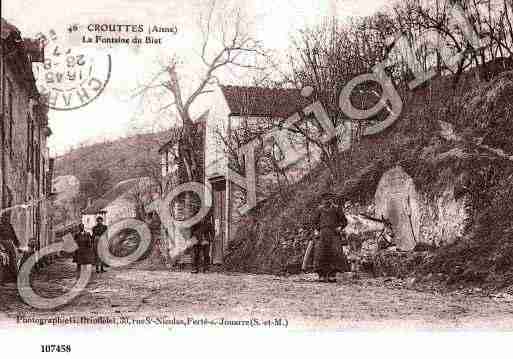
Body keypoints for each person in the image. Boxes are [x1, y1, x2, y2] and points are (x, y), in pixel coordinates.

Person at [311, 192, 349, 283]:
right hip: (322, 234)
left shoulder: (336, 209)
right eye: (325, 199)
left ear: (332, 199)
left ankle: (332, 275)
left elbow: (344, 221)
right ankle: (321, 275)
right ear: (323, 200)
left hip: (334, 234)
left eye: (329, 199)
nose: (327, 201)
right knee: (320, 253)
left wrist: (340, 227)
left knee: (335, 253)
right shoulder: (319, 209)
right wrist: (316, 231)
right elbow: (314, 222)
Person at [0, 212, 20, 281]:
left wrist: (17, 243)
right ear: (1, 218)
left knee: (13, 260)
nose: (5, 219)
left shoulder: (9, 225)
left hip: (10, 244)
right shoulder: (0, 226)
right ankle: (3, 278)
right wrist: (1, 247)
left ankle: (15, 277)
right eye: (4, 218)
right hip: (3, 245)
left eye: (6, 218)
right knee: (4, 261)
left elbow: (13, 235)